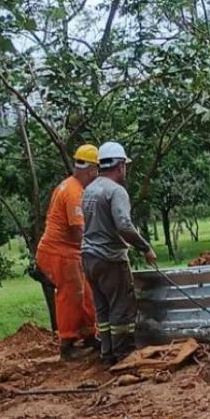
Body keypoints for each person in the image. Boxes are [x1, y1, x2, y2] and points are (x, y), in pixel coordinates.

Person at [81, 141, 157, 365]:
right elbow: (124, 225)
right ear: (120, 166)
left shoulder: (89, 190)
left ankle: (107, 355)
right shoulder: (116, 191)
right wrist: (145, 247)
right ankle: (123, 356)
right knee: (121, 308)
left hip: (88, 258)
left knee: (102, 309)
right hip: (110, 259)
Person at [35, 145, 100, 361]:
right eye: (97, 171)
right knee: (71, 296)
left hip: (66, 252)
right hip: (60, 253)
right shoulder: (74, 193)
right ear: (91, 171)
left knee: (87, 293)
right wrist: (95, 249)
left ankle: (89, 334)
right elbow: (78, 229)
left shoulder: (69, 186)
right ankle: (68, 343)